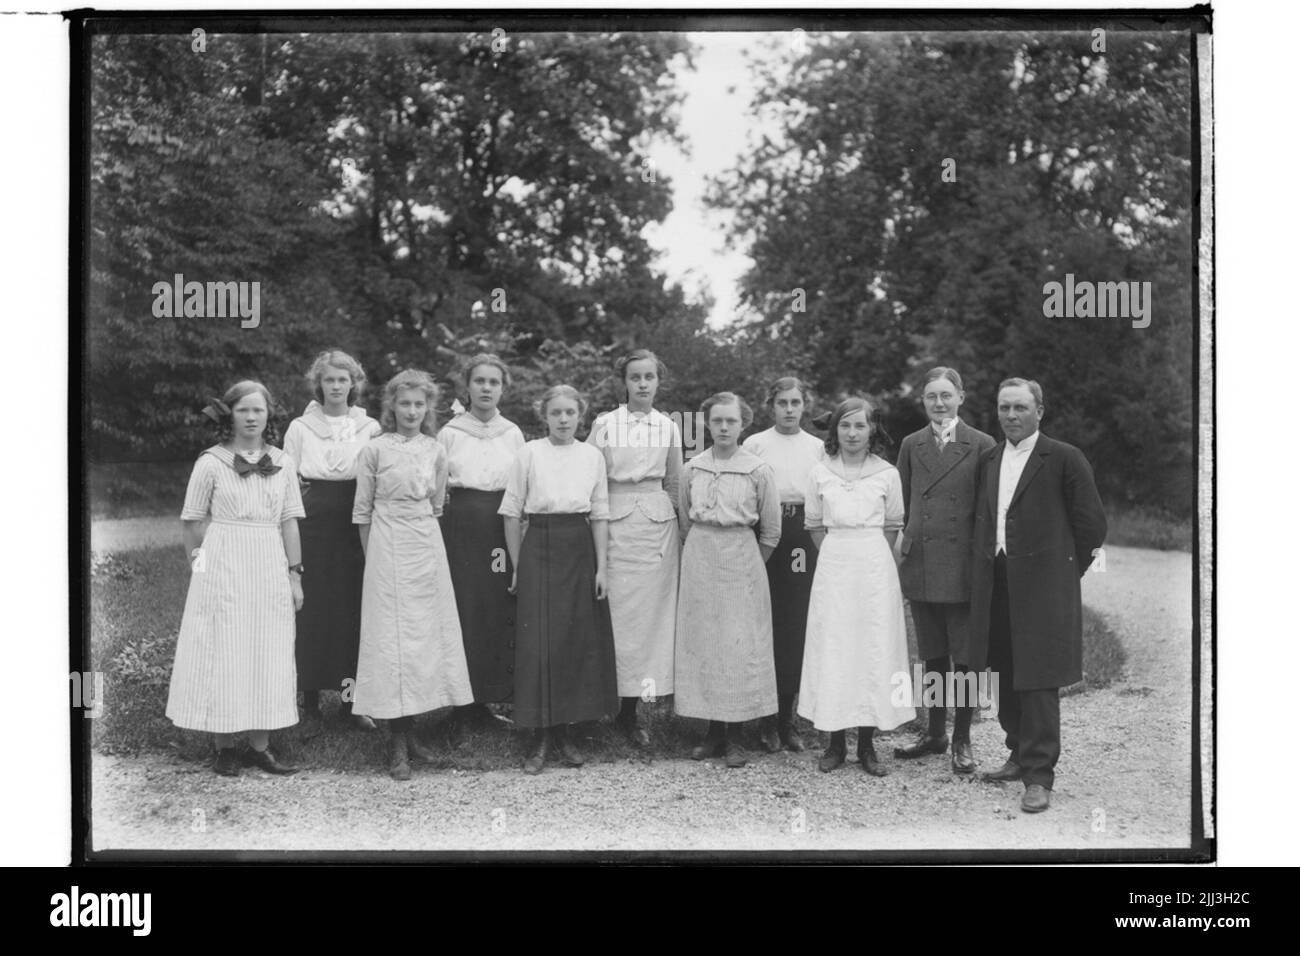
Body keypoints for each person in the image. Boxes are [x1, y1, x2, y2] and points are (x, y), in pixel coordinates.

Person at [969, 378, 1107, 813]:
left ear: (1039, 411)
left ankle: (1039, 776)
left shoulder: (1064, 457)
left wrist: (1063, 576)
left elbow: (1092, 527)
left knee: (1039, 678)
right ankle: (1017, 751)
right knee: (1002, 669)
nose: (1011, 415)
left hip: (1044, 587)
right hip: (996, 579)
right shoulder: (990, 458)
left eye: (1020, 408)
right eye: (1004, 408)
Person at [165, 381, 305, 776]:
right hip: (223, 560)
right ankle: (224, 745)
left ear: (268, 416)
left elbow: (290, 522)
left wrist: (295, 575)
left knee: (267, 648)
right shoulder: (210, 462)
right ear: (230, 415)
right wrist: (202, 570)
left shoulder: (282, 462)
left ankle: (260, 746)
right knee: (223, 648)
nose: (250, 417)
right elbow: (192, 522)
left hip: (268, 563)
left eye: (258, 410)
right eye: (243, 410)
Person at [352, 370, 474, 780]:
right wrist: (374, 561)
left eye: (419, 404)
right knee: (391, 642)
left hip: (424, 545)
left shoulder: (435, 450)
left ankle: (416, 733)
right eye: (404, 404)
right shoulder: (374, 450)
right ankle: (396, 742)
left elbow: (437, 504)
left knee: (422, 639)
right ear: (391, 407)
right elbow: (362, 512)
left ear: (428, 408)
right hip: (386, 545)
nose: (411, 411)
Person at [499, 385, 618, 774]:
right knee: (539, 643)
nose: (564, 420)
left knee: (572, 639)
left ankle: (567, 731)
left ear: (580, 415)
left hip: (579, 547)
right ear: (544, 416)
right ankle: (540, 736)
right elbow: (512, 512)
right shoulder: (529, 453)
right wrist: (518, 566)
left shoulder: (592, 456)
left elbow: (600, 513)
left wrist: (602, 567)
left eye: (570, 412)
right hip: (540, 547)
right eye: (556, 413)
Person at [798, 397, 915, 775]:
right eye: (845, 426)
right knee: (835, 645)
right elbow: (815, 525)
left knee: (870, 648)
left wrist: (876, 565)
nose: (852, 433)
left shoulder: (887, 473)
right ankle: (834, 743)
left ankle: (866, 745)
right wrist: (838, 554)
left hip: (874, 565)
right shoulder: (819, 472)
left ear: (872, 431)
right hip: (834, 562)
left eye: (859, 426)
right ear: (834, 431)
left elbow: (893, 525)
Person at [892, 367, 996, 773]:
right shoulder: (910, 444)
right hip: (921, 563)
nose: (939, 403)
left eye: (946, 396)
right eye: (932, 396)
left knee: (964, 657)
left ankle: (963, 738)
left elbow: (987, 512)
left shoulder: (983, 444)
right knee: (932, 655)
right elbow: (900, 504)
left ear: (961, 398)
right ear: (923, 400)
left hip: (963, 566)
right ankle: (935, 733)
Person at [674, 392, 781, 769]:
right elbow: (685, 522)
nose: (723, 427)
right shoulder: (692, 468)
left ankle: (736, 737)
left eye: (730, 421)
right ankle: (713, 732)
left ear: (743, 425)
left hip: (742, 559)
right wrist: (705, 548)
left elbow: (771, 531)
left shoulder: (758, 470)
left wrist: (749, 565)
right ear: (706, 423)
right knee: (706, 643)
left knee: (738, 646)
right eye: (717, 421)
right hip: (701, 556)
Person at [587, 349, 683, 747]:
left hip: (658, 528)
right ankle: (610, 708)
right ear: (623, 382)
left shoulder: (669, 426)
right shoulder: (605, 424)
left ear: (659, 381)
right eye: (635, 377)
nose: (643, 384)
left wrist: (682, 529)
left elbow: (675, 481)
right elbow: (590, 476)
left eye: (649, 377)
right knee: (617, 617)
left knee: (651, 621)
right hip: (616, 521)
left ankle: (639, 711)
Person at [283, 349, 382, 735]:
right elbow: (288, 478)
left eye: (343, 380)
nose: (337, 386)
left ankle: (350, 702)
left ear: (353, 384)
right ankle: (308, 704)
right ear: (319, 384)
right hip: (314, 519)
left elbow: (375, 474)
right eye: (329, 380)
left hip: (355, 518)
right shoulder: (300, 427)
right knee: (311, 609)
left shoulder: (368, 426)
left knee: (351, 609)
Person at [437, 354, 526, 740]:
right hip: (462, 525)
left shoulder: (513, 433)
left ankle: (488, 700)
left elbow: (521, 488)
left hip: (500, 526)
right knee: (464, 608)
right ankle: (460, 705)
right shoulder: (450, 433)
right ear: (467, 387)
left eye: (494, 382)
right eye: (479, 382)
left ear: (503, 388)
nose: (487, 388)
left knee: (495, 604)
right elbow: (438, 491)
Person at [744, 376, 823, 753]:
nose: (789, 410)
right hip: (765, 530)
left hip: (802, 535)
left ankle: (787, 719)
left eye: (796, 403)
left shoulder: (819, 448)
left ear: (804, 406)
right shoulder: (755, 444)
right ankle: (763, 718)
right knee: (765, 620)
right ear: (770, 406)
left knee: (794, 623)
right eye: (782, 403)